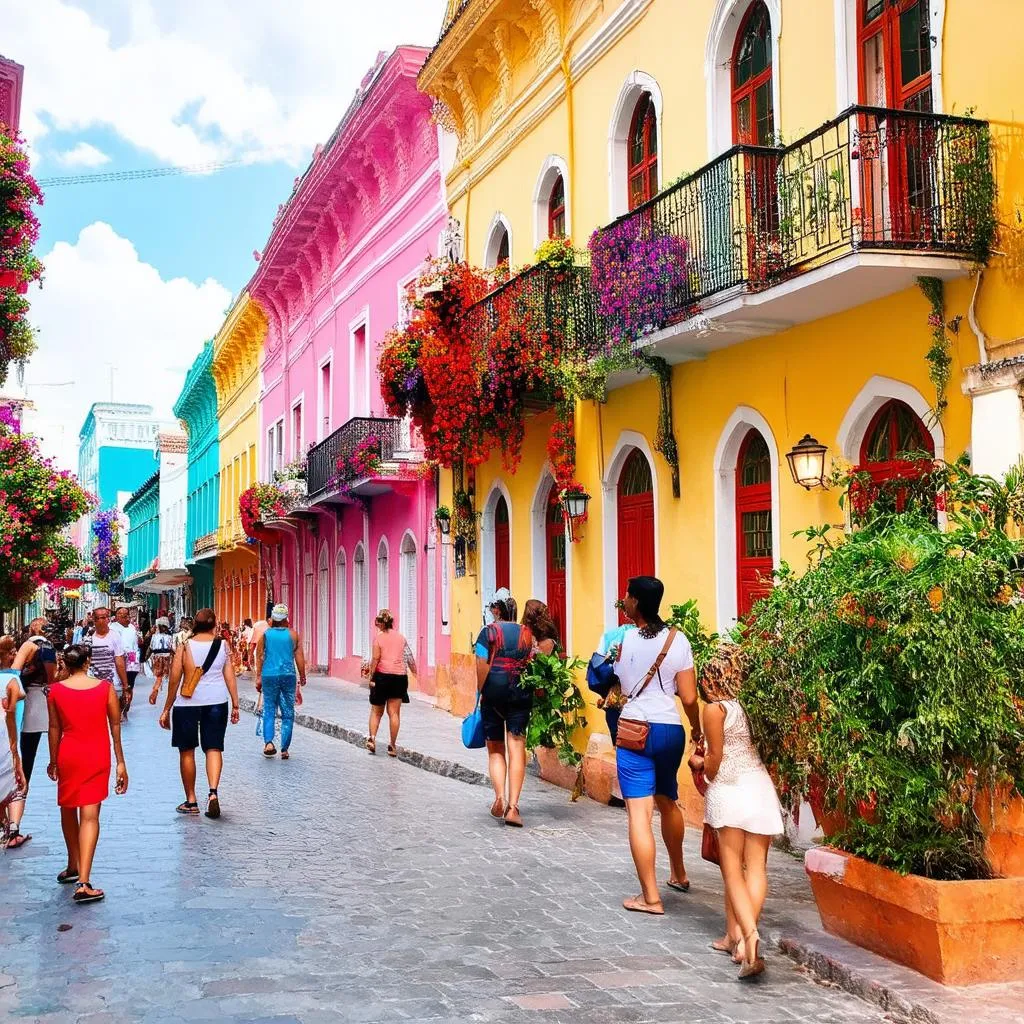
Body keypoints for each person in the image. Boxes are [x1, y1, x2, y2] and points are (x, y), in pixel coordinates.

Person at [692, 644, 784, 980]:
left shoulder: (715, 710)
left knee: (732, 869)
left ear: (712, 676)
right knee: (756, 867)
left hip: (730, 791)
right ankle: (739, 939)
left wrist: (701, 763)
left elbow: (715, 763)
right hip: (759, 787)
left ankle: (750, 936)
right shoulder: (754, 706)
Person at [614, 576, 701, 916]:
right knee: (669, 801)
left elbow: (614, 680)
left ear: (635, 602)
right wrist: (696, 727)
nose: (624, 601)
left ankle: (650, 898)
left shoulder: (623, 640)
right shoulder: (679, 640)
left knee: (639, 813)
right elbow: (690, 696)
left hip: (636, 729)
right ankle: (679, 873)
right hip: (670, 729)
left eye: (627, 596)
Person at [46, 643, 129, 904]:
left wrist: (52, 761)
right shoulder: (104, 689)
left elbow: (54, 729)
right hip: (96, 753)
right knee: (90, 816)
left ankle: (73, 863)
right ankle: (83, 880)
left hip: (68, 753)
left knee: (67, 808)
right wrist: (120, 762)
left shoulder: (56, 691)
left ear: (67, 665)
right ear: (87, 662)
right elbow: (115, 725)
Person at [159, 608, 240, 818]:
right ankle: (213, 792)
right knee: (214, 747)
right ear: (215, 625)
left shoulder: (184, 646)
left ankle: (191, 800)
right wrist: (236, 703)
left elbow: (175, 678)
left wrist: (166, 708)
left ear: (195, 624)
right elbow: (229, 675)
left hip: (187, 704)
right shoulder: (223, 645)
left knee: (187, 750)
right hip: (217, 701)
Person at [475, 591, 534, 828]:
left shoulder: (488, 632)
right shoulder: (527, 633)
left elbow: (481, 664)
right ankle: (514, 807)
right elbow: (532, 660)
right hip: (520, 691)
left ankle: (499, 797)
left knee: (496, 748)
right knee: (517, 746)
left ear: (496, 610)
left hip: (493, 692)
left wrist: (480, 693)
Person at [5, 618, 58, 849]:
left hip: (30, 706)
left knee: (22, 763)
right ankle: (13, 824)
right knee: (25, 763)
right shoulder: (45, 648)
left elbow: (14, 673)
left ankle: (10, 823)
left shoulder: (32, 645)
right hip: (40, 703)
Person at [255, 604, 306, 759]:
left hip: (269, 675)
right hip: (288, 675)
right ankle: (284, 749)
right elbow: (299, 657)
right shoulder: (293, 635)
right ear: (285, 618)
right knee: (288, 712)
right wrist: (302, 675)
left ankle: (269, 743)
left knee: (269, 709)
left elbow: (260, 657)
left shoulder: (266, 635)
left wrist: (258, 677)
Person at [365, 609, 415, 757]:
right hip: (399, 678)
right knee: (394, 713)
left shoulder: (378, 639)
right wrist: (415, 672)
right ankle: (392, 746)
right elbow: (409, 657)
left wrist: (371, 677)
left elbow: (375, 659)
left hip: (382, 677)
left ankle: (372, 739)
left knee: (376, 711)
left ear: (380, 623)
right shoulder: (401, 638)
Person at [1, 638, 26, 845]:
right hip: (6, 740)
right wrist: (15, 750)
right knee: (15, 784)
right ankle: (12, 829)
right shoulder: (12, 681)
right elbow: (12, 713)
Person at [83, 608, 129, 717]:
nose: (105, 620)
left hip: (112, 683)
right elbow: (84, 663)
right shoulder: (88, 638)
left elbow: (119, 661)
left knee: (114, 718)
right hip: (92, 684)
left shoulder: (115, 636)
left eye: (107, 617)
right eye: (101, 618)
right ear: (94, 620)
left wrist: (125, 685)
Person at [111, 606, 141, 720]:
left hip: (132, 659)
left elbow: (136, 643)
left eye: (125, 613)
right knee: (120, 685)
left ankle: (125, 708)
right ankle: (119, 709)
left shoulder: (132, 627)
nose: (123, 615)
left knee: (130, 685)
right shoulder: (112, 628)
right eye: (120, 613)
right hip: (118, 658)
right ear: (116, 615)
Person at [146, 618, 174, 700]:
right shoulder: (170, 637)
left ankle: (156, 688)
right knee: (167, 675)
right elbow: (172, 649)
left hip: (157, 657)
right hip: (167, 657)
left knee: (159, 676)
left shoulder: (154, 636)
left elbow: (151, 648)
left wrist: (146, 657)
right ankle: (166, 692)